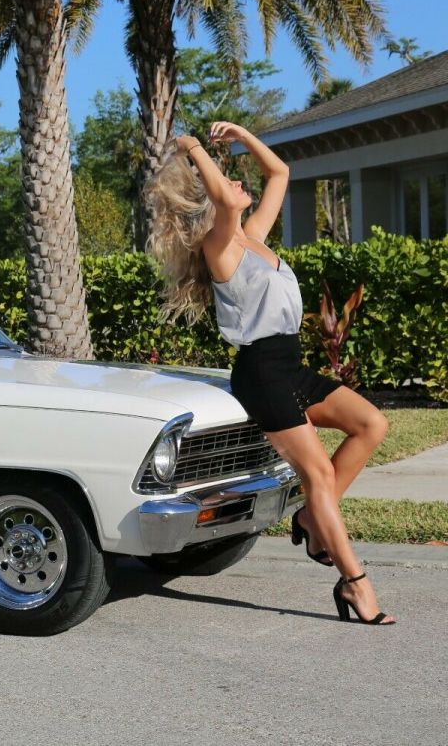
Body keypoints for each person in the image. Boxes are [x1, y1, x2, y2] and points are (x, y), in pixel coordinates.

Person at [144, 121, 395, 626]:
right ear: (211, 201)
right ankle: (354, 583)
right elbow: (229, 202)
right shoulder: (222, 249)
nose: (238, 184)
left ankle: (310, 518)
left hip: (291, 365)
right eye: (226, 182)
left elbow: (279, 171)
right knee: (317, 473)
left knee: (372, 425)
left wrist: (240, 134)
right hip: (261, 373)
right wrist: (191, 147)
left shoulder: (252, 239)